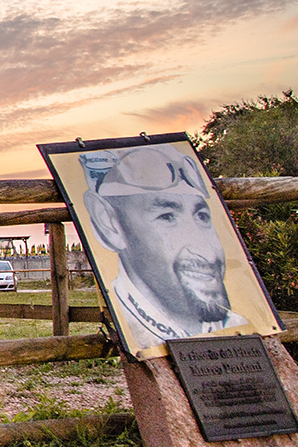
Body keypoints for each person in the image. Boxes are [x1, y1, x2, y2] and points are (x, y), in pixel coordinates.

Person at [80, 145, 247, 350]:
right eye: (167, 217)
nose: (208, 253)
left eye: (202, 216)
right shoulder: (132, 325)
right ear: (110, 224)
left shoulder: (240, 326)